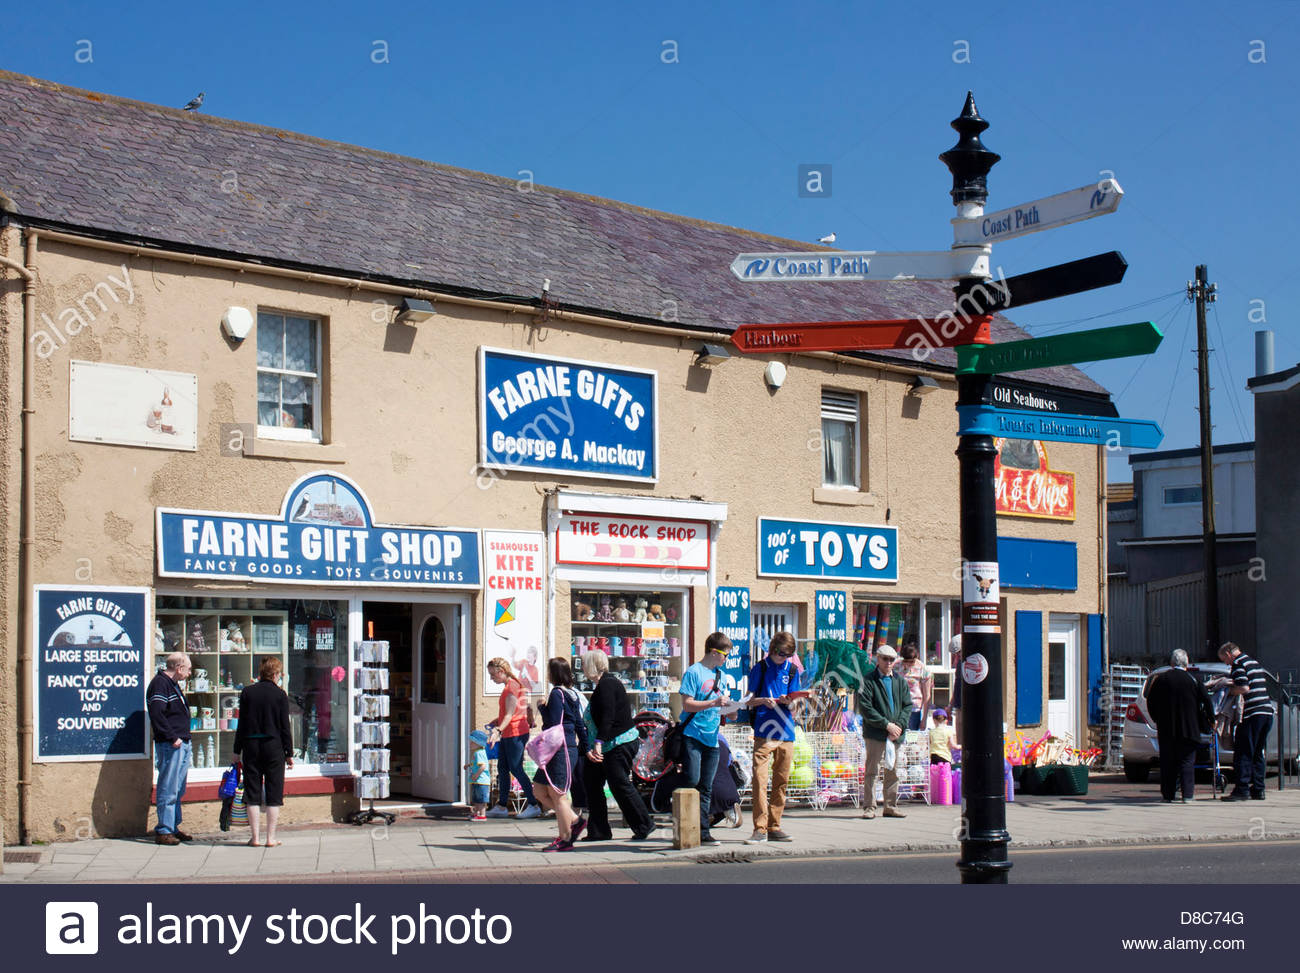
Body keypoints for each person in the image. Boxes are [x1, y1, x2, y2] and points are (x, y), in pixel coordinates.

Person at [581, 649, 654, 842]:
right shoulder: (603, 684)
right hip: (608, 744)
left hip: (616, 743)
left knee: (619, 783)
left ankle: (644, 824)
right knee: (592, 782)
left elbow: (608, 717)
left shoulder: (607, 685)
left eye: (583, 664)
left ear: (591, 665)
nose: (581, 668)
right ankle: (599, 830)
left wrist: (598, 742)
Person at [745, 630, 805, 844]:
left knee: (781, 782)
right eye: (780, 654)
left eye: (787, 655)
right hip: (764, 732)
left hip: (786, 732)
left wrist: (789, 701)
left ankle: (774, 825)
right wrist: (763, 700)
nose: (783, 659)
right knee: (760, 781)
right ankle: (759, 828)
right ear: (772, 650)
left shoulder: (792, 670)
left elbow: (797, 703)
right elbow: (748, 701)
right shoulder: (760, 668)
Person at [233, 655, 295, 846]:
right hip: (273, 746)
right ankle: (270, 837)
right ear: (276, 674)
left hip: (251, 746)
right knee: (274, 792)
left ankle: (255, 837)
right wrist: (289, 753)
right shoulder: (280, 695)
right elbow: (285, 726)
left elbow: (241, 724)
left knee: (252, 792)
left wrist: (237, 750)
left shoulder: (247, 693)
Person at [679, 632, 733, 848]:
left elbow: (725, 710)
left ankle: (703, 831)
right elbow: (687, 704)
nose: (726, 659)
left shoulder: (721, 675)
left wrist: (732, 710)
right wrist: (713, 703)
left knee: (706, 786)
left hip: (712, 737)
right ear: (714, 652)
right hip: (693, 734)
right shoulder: (694, 672)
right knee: (692, 780)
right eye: (724, 655)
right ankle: (684, 826)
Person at [530, 657, 589, 851]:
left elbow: (553, 723)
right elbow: (579, 723)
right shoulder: (571, 693)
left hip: (560, 750)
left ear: (553, 673)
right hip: (563, 748)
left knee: (558, 795)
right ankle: (574, 820)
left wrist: (541, 707)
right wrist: (586, 746)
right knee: (538, 789)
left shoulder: (557, 694)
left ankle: (565, 839)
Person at [1146, 649, 1214, 803]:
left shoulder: (1161, 679)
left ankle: (1168, 794)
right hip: (1189, 728)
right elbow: (1207, 701)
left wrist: (1156, 718)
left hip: (1166, 728)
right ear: (1187, 663)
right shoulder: (1193, 680)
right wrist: (1211, 720)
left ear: (1171, 663)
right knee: (1187, 761)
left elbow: (1151, 701)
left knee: (1167, 762)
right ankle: (1187, 794)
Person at [858, 644, 912, 819]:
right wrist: (886, 725)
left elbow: (907, 706)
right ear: (877, 659)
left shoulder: (900, 681)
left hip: (895, 733)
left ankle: (890, 806)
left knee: (893, 771)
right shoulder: (868, 681)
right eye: (885, 659)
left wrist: (899, 726)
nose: (888, 662)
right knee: (872, 770)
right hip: (875, 733)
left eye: (891, 659)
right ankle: (870, 807)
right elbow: (866, 708)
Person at [1216, 641, 1275, 801]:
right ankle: (1258, 789)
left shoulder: (1238, 664)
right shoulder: (1253, 662)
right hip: (1266, 712)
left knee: (1243, 752)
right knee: (1257, 752)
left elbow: (1243, 688)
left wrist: (1228, 692)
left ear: (1228, 654)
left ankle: (1241, 790)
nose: (1226, 664)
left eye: (1224, 660)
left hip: (1252, 713)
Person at [485, 657, 542, 818]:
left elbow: (510, 714)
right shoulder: (515, 685)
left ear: (501, 672)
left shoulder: (511, 688)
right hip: (510, 733)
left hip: (515, 733)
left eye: (493, 675)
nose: (492, 678)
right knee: (503, 768)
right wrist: (498, 722)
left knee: (516, 769)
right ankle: (502, 806)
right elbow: (515, 711)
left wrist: (497, 729)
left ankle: (533, 804)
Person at [147, 651, 194, 845]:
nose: (189, 673)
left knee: (178, 787)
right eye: (188, 669)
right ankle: (164, 830)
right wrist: (172, 737)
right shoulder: (160, 684)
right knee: (168, 786)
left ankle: (173, 826)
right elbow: (157, 713)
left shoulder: (172, 685)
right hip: (171, 744)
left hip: (181, 742)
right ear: (179, 668)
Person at [898, 639, 932, 731]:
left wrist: (924, 719)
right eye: (906, 661)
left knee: (911, 739)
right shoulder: (897, 665)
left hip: (914, 709)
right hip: (897, 708)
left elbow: (927, 695)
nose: (908, 664)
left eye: (911, 662)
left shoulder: (923, 669)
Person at [465, 729, 491, 820]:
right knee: (476, 798)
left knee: (481, 799)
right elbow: (476, 764)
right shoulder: (477, 753)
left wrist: (476, 775)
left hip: (481, 780)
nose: (470, 744)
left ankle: (482, 815)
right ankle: (476, 813)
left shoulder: (479, 753)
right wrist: (469, 765)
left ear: (478, 743)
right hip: (478, 781)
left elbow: (483, 766)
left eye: (472, 742)